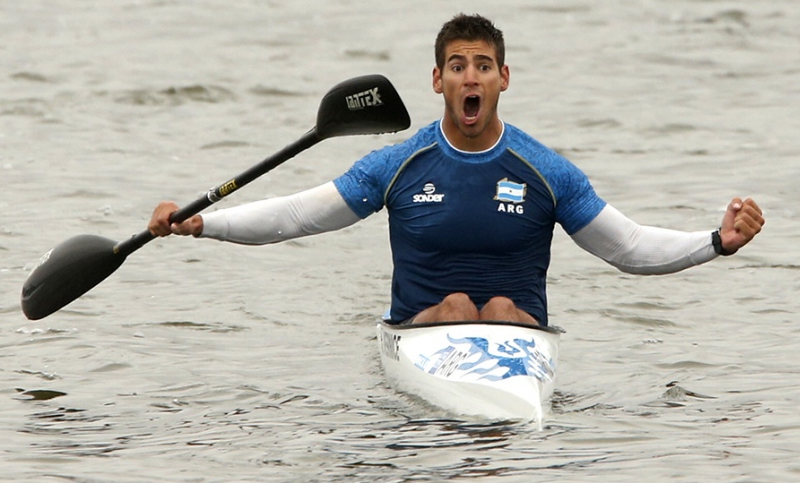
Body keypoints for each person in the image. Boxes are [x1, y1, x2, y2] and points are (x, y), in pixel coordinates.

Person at [149, 14, 764, 327]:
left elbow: (628, 248)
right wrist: (205, 223)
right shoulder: (398, 164)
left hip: (518, 337)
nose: (472, 76)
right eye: (458, 65)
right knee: (457, 308)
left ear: (504, 78)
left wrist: (717, 242)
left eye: (484, 65)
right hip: (422, 332)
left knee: (496, 308)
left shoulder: (544, 171)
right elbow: (297, 215)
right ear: (438, 80)